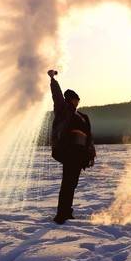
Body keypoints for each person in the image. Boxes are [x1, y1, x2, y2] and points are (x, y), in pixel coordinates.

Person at [47, 69, 96, 224]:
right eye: (75, 99)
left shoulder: (82, 117)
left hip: (80, 154)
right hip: (68, 152)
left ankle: (67, 211)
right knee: (67, 183)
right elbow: (57, 96)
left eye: (78, 100)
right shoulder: (64, 110)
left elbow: (89, 136)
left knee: (72, 184)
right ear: (70, 100)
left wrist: (91, 153)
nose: (77, 102)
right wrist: (53, 80)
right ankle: (62, 214)